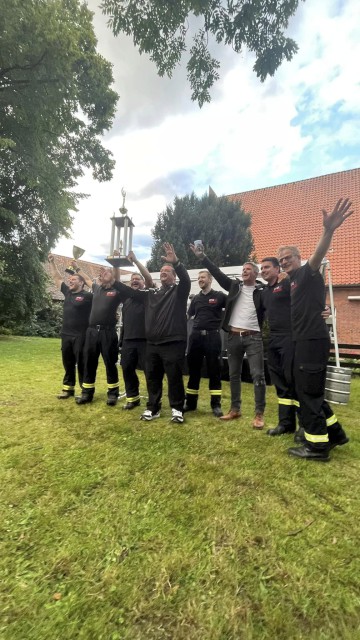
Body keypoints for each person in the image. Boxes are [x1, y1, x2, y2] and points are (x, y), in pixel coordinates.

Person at [278, 197, 353, 461]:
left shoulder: (307, 273)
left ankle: (317, 448)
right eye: (282, 259)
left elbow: (318, 255)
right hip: (303, 341)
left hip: (311, 341)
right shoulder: (293, 282)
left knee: (308, 394)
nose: (284, 262)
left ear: (299, 259)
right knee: (309, 392)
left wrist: (329, 230)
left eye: (288, 258)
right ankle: (335, 434)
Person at [260, 257, 342, 443]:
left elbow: (309, 295)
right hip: (273, 340)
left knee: (295, 382)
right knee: (280, 383)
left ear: (277, 269)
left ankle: (304, 425)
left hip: (291, 337)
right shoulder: (264, 292)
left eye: (267, 267)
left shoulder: (288, 284)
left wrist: (325, 307)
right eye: (262, 268)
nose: (263, 270)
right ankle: (285, 423)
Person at [113, 243, 191, 423]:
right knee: (153, 378)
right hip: (152, 344)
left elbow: (186, 279)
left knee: (174, 377)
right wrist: (114, 280)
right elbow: (129, 292)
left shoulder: (179, 291)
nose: (163, 272)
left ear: (173, 276)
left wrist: (176, 262)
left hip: (173, 343)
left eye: (167, 271)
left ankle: (177, 409)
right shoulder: (151, 293)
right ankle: (153, 408)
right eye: (161, 270)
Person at [191, 244, 266, 428]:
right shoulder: (234, 286)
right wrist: (203, 258)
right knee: (233, 375)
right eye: (243, 269)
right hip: (233, 336)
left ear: (256, 273)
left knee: (258, 375)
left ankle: (259, 414)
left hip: (253, 337)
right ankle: (235, 409)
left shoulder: (263, 291)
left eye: (248, 269)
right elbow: (216, 273)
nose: (244, 271)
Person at [76, 264, 123, 406]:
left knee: (110, 363)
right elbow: (86, 278)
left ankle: (113, 394)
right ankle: (87, 393)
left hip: (107, 332)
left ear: (111, 277)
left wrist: (116, 266)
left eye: (106, 275)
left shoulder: (117, 291)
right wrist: (77, 267)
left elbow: (118, 279)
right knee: (89, 362)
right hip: (91, 332)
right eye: (101, 275)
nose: (102, 277)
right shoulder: (96, 288)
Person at [47, 254, 92, 399]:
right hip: (66, 334)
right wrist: (52, 263)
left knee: (83, 364)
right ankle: (68, 389)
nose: (70, 281)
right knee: (68, 362)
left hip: (81, 335)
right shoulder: (67, 292)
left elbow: (100, 308)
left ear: (82, 283)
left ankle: (85, 391)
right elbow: (57, 278)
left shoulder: (88, 296)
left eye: (73, 280)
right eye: (70, 280)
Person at [184, 269, 227, 417]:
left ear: (210, 279)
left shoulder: (220, 296)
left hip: (212, 338)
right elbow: (189, 315)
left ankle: (216, 405)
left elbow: (233, 306)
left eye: (203, 277)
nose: (200, 279)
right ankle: (190, 403)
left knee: (214, 370)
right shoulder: (195, 298)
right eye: (198, 278)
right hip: (195, 338)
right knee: (194, 370)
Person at [119, 251, 154, 410]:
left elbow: (149, 278)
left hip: (145, 341)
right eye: (132, 280)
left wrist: (136, 262)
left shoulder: (147, 295)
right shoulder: (126, 298)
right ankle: (133, 398)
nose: (134, 281)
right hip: (128, 341)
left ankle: (153, 401)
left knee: (150, 372)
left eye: (137, 279)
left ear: (142, 283)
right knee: (127, 368)